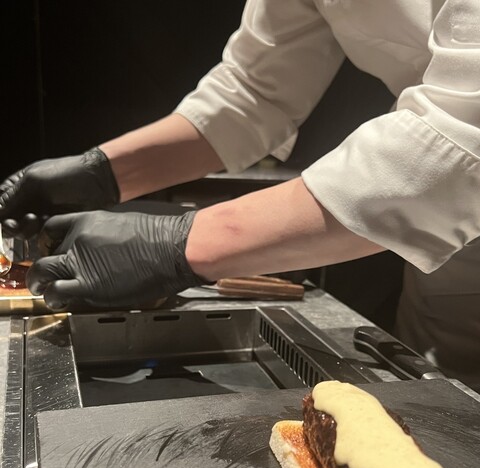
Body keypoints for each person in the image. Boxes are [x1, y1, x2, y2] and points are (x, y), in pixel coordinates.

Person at [1, 0, 479, 390]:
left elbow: (458, 134)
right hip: (443, 253)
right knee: (437, 401)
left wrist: (177, 244)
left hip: (449, 202)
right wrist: (101, 172)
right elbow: (254, 91)